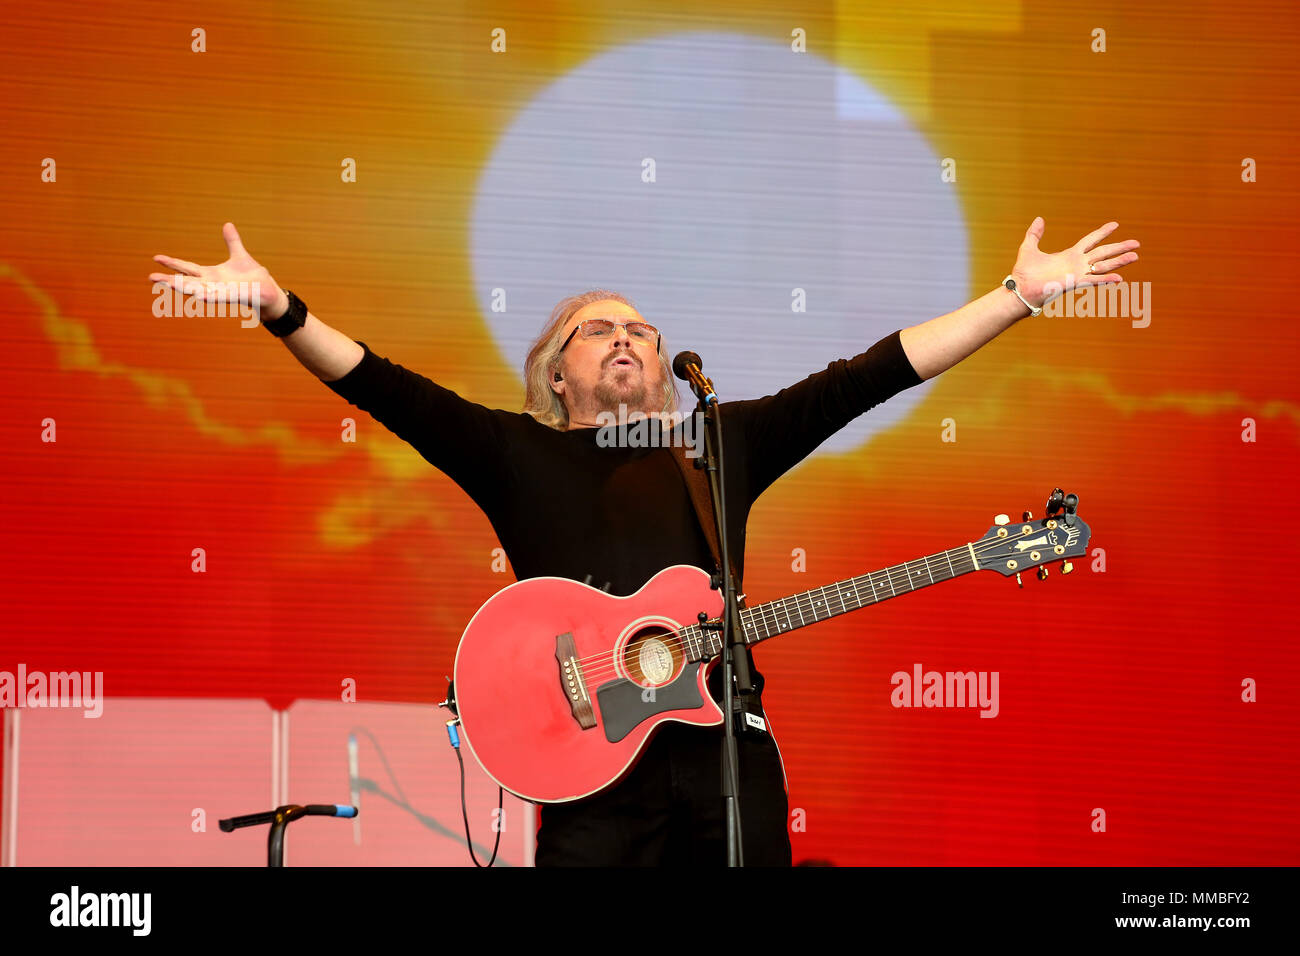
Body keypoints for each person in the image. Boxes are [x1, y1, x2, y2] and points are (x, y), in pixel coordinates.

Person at [149, 219, 1139, 865]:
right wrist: (279, 309)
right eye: (594, 330)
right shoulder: (514, 449)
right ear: (557, 376)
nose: (624, 336)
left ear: (666, 370)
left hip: (726, 766)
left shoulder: (716, 443)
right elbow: (382, 385)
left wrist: (1015, 294)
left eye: (641, 329)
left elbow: (870, 375)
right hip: (590, 778)